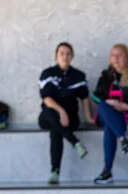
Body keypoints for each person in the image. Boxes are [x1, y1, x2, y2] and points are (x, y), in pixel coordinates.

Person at [91, 43, 128, 184]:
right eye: (113, 56)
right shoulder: (106, 75)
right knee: (103, 106)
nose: (116, 59)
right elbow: (95, 96)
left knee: (108, 128)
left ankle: (107, 171)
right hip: (110, 115)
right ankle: (123, 140)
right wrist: (111, 102)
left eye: (120, 55)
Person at [38, 42, 94, 184]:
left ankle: (55, 171)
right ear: (56, 56)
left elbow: (85, 98)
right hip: (50, 115)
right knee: (49, 112)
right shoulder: (47, 74)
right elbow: (46, 98)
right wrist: (61, 111)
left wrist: (88, 117)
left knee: (55, 129)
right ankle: (75, 142)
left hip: (70, 118)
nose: (65, 56)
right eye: (61, 53)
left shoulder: (78, 75)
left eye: (68, 53)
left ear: (72, 56)